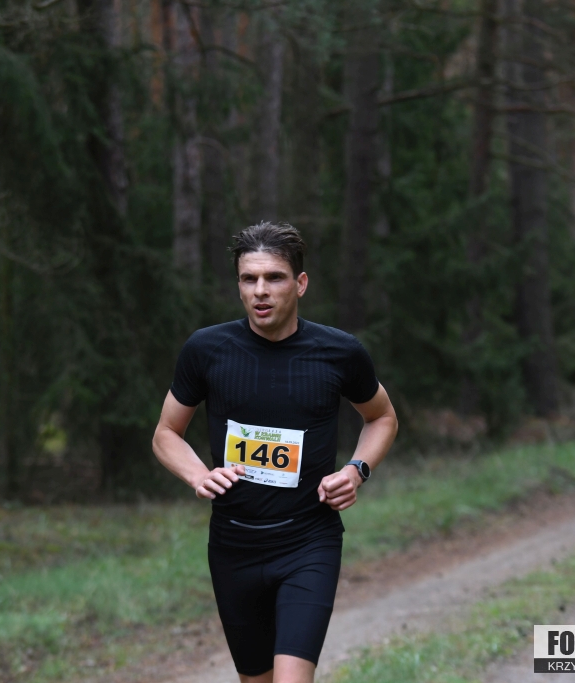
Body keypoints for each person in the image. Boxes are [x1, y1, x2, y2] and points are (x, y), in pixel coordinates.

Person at [152, 222, 398, 683]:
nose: (260, 291)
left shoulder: (338, 352)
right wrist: (197, 475)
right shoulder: (207, 350)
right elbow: (166, 432)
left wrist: (357, 470)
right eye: (249, 279)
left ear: (300, 284)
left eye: (274, 278)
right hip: (233, 546)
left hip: (309, 541)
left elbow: (382, 416)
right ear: (239, 286)